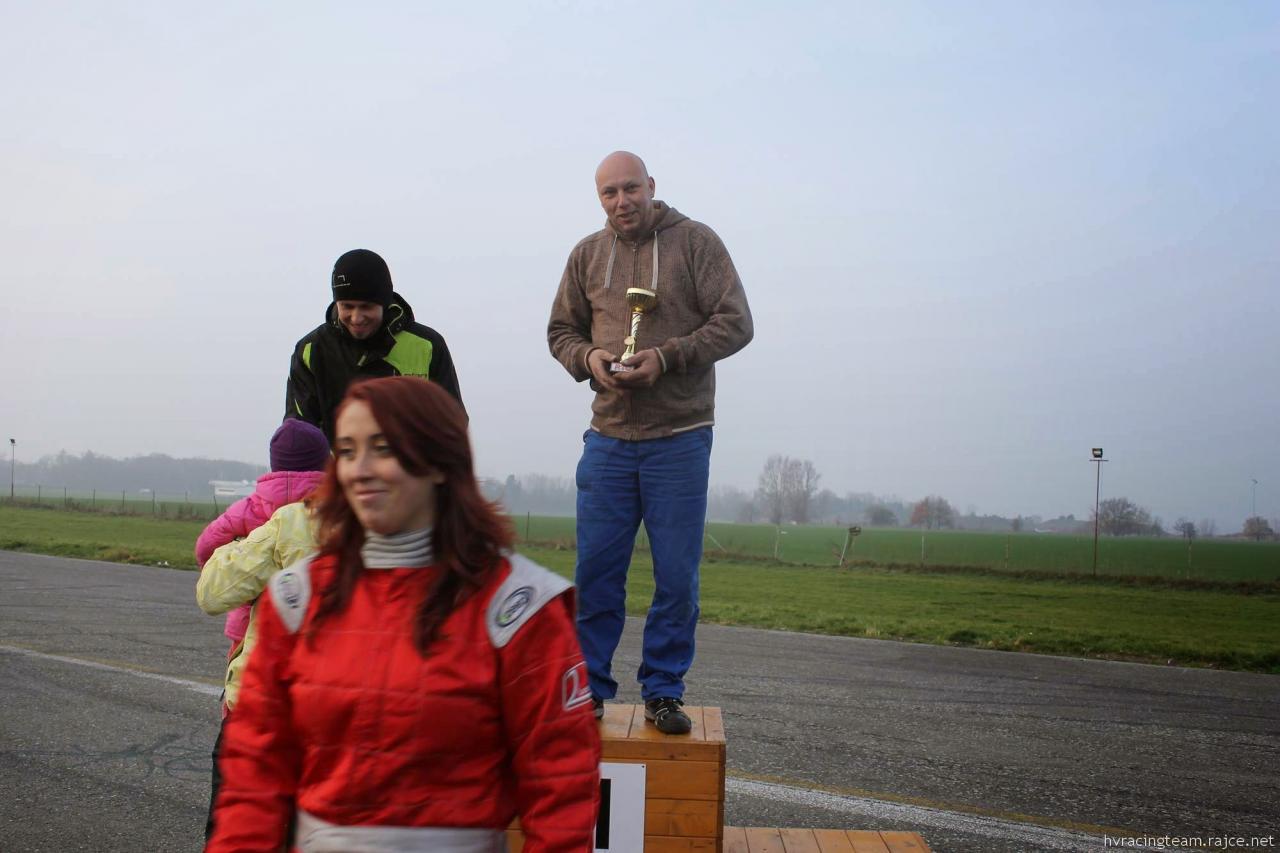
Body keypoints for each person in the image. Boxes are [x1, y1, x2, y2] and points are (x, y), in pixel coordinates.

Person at [207, 376, 600, 853]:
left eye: (383, 448)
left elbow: (560, 785)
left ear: (439, 460)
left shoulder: (520, 605)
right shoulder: (295, 597)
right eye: (347, 451)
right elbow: (254, 774)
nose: (360, 470)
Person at [547, 151, 754, 735]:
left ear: (651, 185)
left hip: (679, 439)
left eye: (630, 188)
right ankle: (589, 690)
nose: (622, 202)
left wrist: (666, 357)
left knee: (677, 579)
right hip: (608, 440)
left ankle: (663, 690)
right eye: (609, 193)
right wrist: (590, 358)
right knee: (596, 575)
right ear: (599, 198)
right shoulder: (587, 255)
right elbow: (560, 331)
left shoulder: (696, 242)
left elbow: (736, 322)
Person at [285, 248, 463, 442]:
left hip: (410, 462)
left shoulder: (427, 346)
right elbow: (298, 431)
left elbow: (452, 424)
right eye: (347, 306)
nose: (356, 318)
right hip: (337, 462)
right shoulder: (311, 350)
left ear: (384, 303)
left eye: (366, 307)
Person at [195, 418, 328, 658]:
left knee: (243, 669)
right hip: (315, 626)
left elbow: (206, 546)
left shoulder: (246, 508)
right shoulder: (332, 509)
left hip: (249, 624)